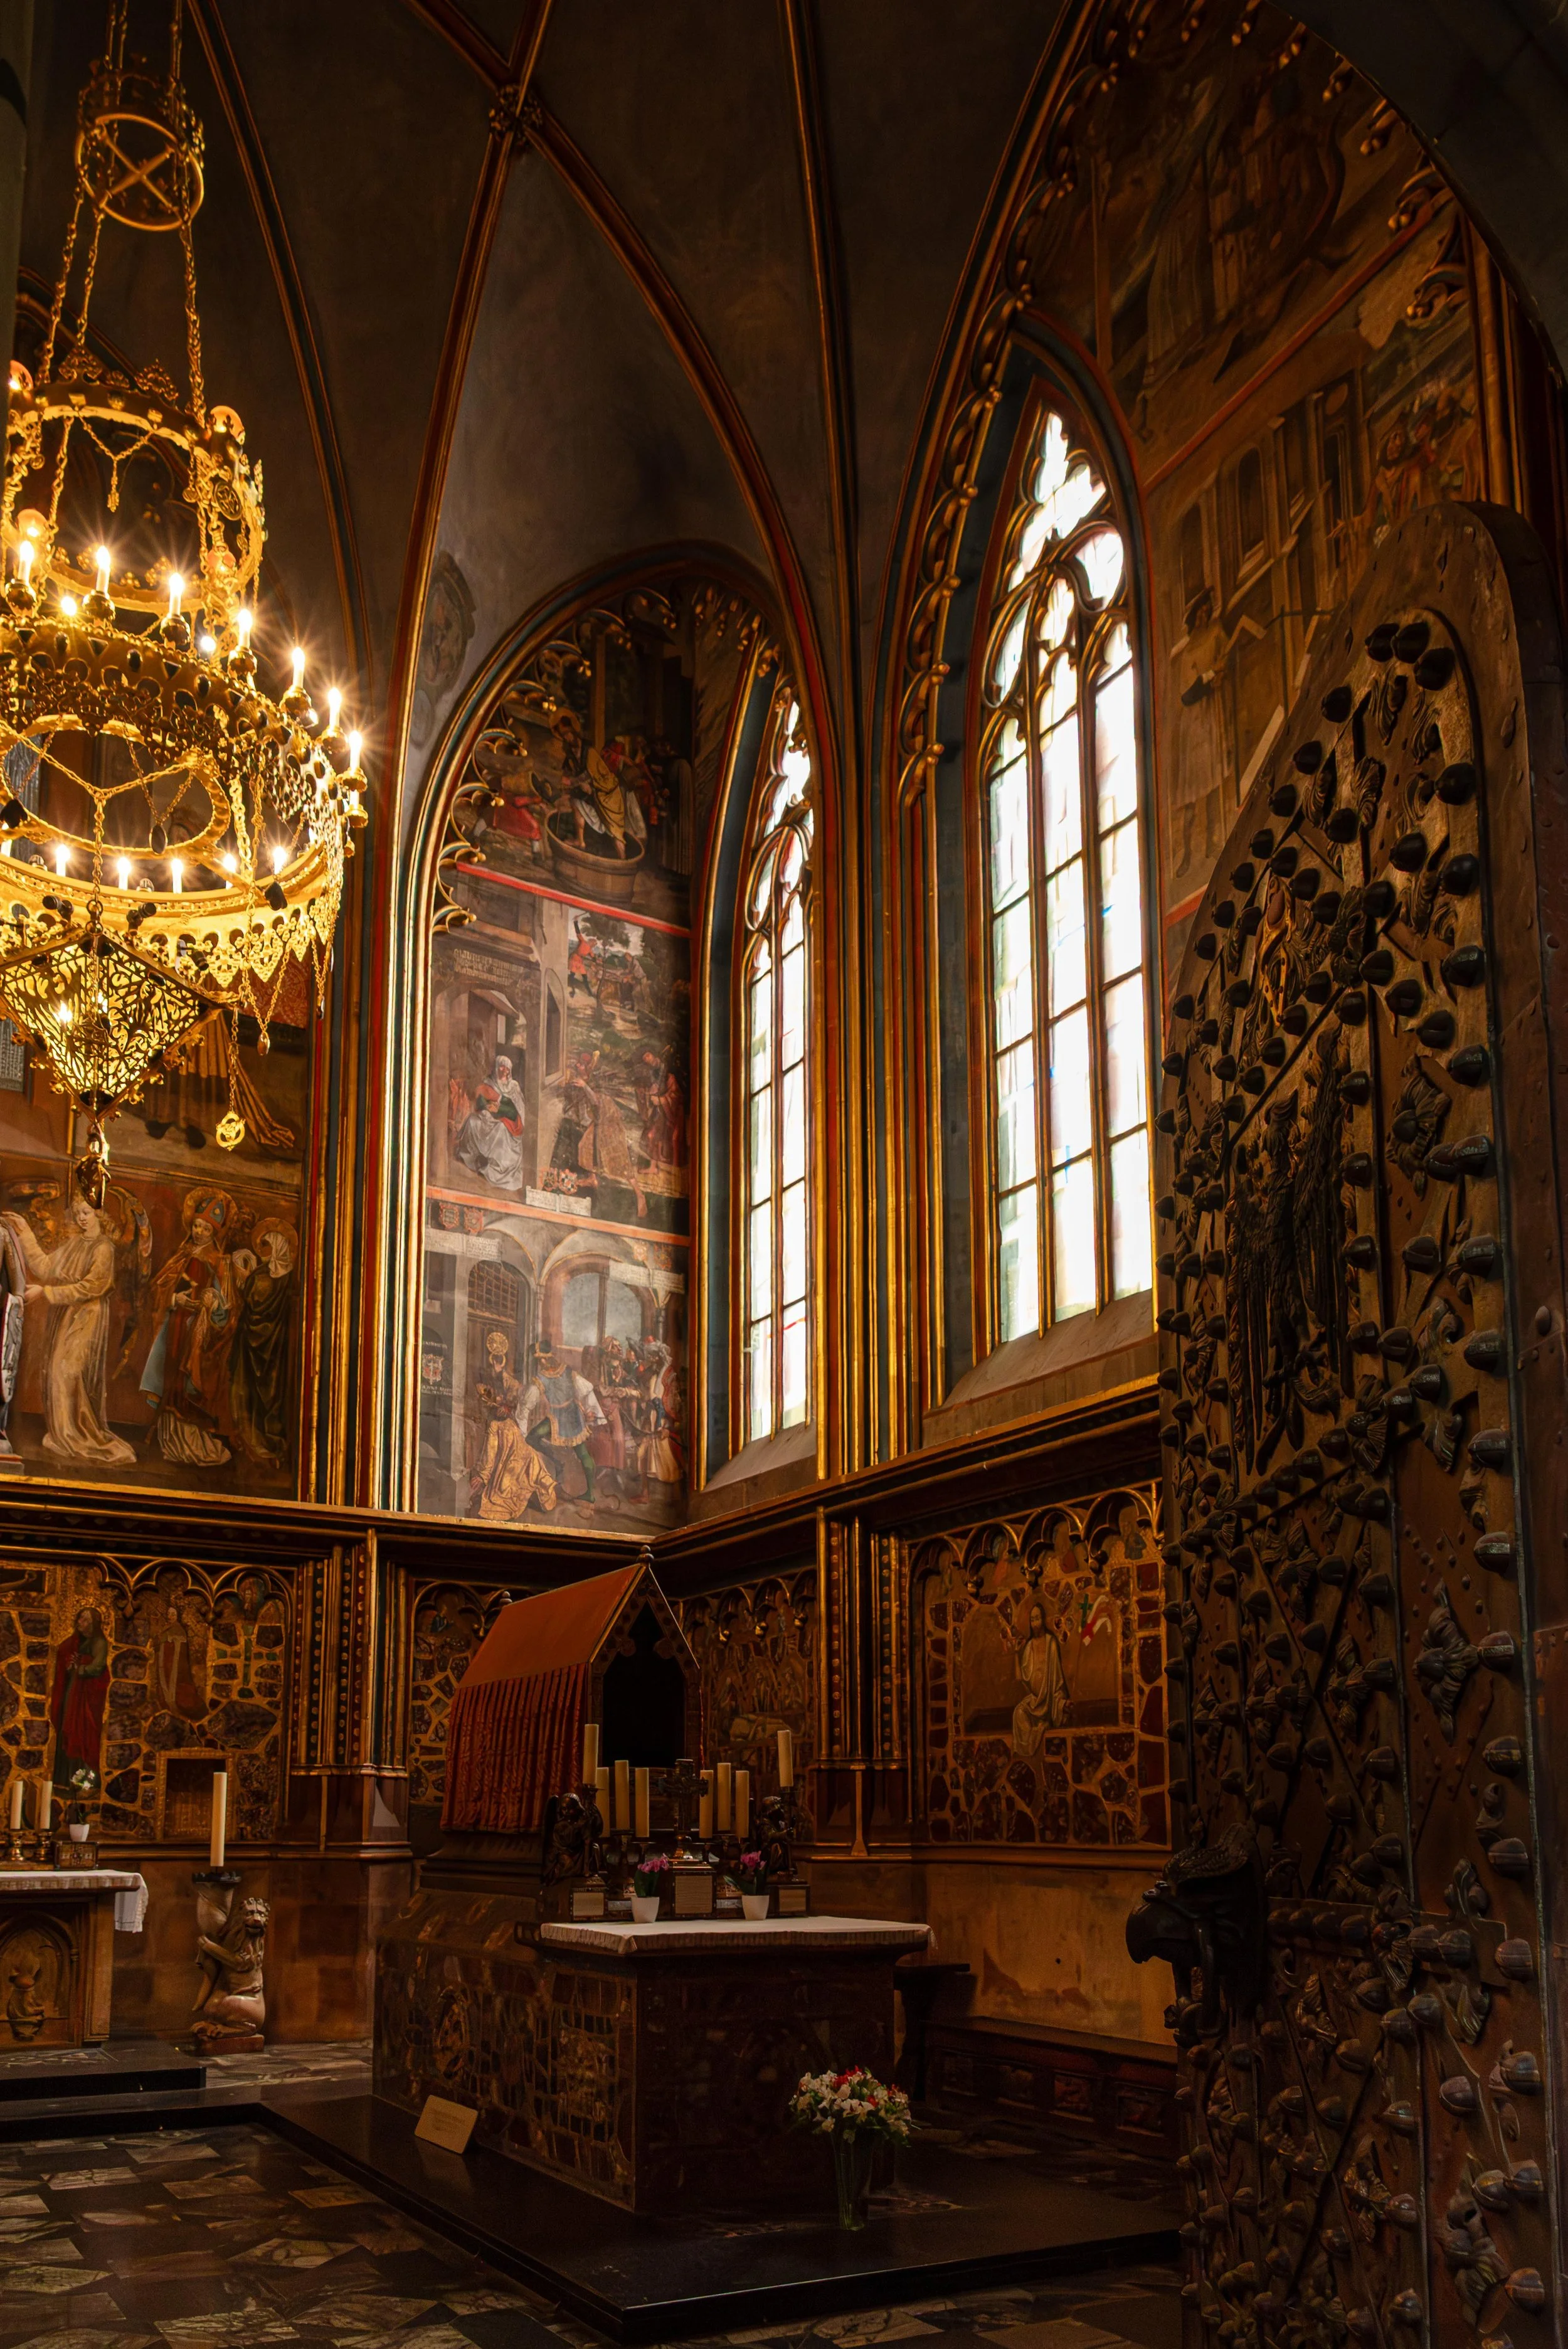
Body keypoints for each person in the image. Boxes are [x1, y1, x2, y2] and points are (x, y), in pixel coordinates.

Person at [2, 1192, 137, 1466]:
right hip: (66, 1315)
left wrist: (46, 1292)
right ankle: (65, 1435)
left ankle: (78, 1436)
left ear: (99, 1213)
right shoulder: (75, 1243)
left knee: (67, 1371)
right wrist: (24, 1230)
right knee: (54, 1372)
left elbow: (93, 1287)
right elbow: (45, 1265)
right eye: (78, 1214)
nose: (82, 1219)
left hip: (88, 1316)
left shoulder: (104, 1248)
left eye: (87, 1213)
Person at [139, 1191, 238, 1468]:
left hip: (195, 1332)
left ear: (214, 1232)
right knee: (169, 1379)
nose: (199, 1232)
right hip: (174, 1326)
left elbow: (225, 1310)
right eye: (197, 1226)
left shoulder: (219, 1263)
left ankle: (191, 1443)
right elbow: (158, 1290)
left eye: (206, 1229)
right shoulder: (181, 1254)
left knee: (185, 1386)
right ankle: (170, 1441)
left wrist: (210, 1304)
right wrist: (174, 1299)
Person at [467, 1332, 558, 1520]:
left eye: (500, 1361)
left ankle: (540, 1490)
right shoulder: (482, 1380)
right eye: (494, 1360)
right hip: (494, 1427)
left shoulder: (510, 1381)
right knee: (502, 1466)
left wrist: (507, 1407)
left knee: (530, 1456)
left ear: (503, 1361)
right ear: (490, 1359)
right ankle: (491, 1481)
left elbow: (516, 1401)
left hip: (509, 1425)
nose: (496, 1364)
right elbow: (483, 1401)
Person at [229, 1220, 297, 1468]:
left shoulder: (278, 1277)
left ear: (279, 1246)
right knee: (251, 1392)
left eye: (267, 1246)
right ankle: (251, 1438)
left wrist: (246, 1280)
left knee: (270, 1393)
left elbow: (256, 1302)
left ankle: (268, 1443)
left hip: (272, 1347)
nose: (263, 1252)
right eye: (262, 1246)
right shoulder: (265, 1272)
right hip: (255, 1344)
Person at [521, 1346, 608, 1505]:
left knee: (532, 1437)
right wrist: (591, 1410)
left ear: (545, 1359)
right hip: (572, 1414)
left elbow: (527, 1403)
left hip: (560, 1417)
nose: (540, 1363)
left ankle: (559, 1462)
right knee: (582, 1453)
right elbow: (587, 1391)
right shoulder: (567, 1371)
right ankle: (587, 1490)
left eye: (541, 1359)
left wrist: (521, 1425)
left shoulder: (542, 1378)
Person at [50, 1604, 110, 1792]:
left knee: (85, 1734)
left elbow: (99, 1667)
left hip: (89, 1699)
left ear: (94, 1624)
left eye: (85, 1619)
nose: (80, 1623)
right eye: (80, 1618)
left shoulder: (99, 1642)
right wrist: (71, 1667)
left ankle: (86, 1783)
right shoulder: (77, 1642)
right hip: (74, 1693)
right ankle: (65, 1779)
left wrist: (81, 1668)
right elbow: (68, 1661)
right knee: (69, 1729)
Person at [453, 1054, 526, 1192]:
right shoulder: (488, 1084)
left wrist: (501, 1110)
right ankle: (470, 1158)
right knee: (472, 1121)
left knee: (502, 1128)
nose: (504, 1071)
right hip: (488, 1120)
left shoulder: (514, 1087)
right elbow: (481, 1105)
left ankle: (495, 1169)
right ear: (497, 1068)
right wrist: (487, 1113)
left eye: (507, 1068)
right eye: (502, 1067)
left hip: (508, 1124)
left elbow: (517, 1112)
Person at [1011, 1598, 1068, 1755]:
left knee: (1060, 1716)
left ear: (1043, 1619)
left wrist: (1061, 1703)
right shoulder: (1028, 1647)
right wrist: (1017, 1654)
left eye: (1038, 1618)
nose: (1035, 1623)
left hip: (1049, 1701)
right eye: (1032, 1619)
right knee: (1019, 1713)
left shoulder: (1051, 1644)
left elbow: (1057, 1681)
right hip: (1035, 1703)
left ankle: (1043, 1725)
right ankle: (1035, 1736)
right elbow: (1021, 1679)